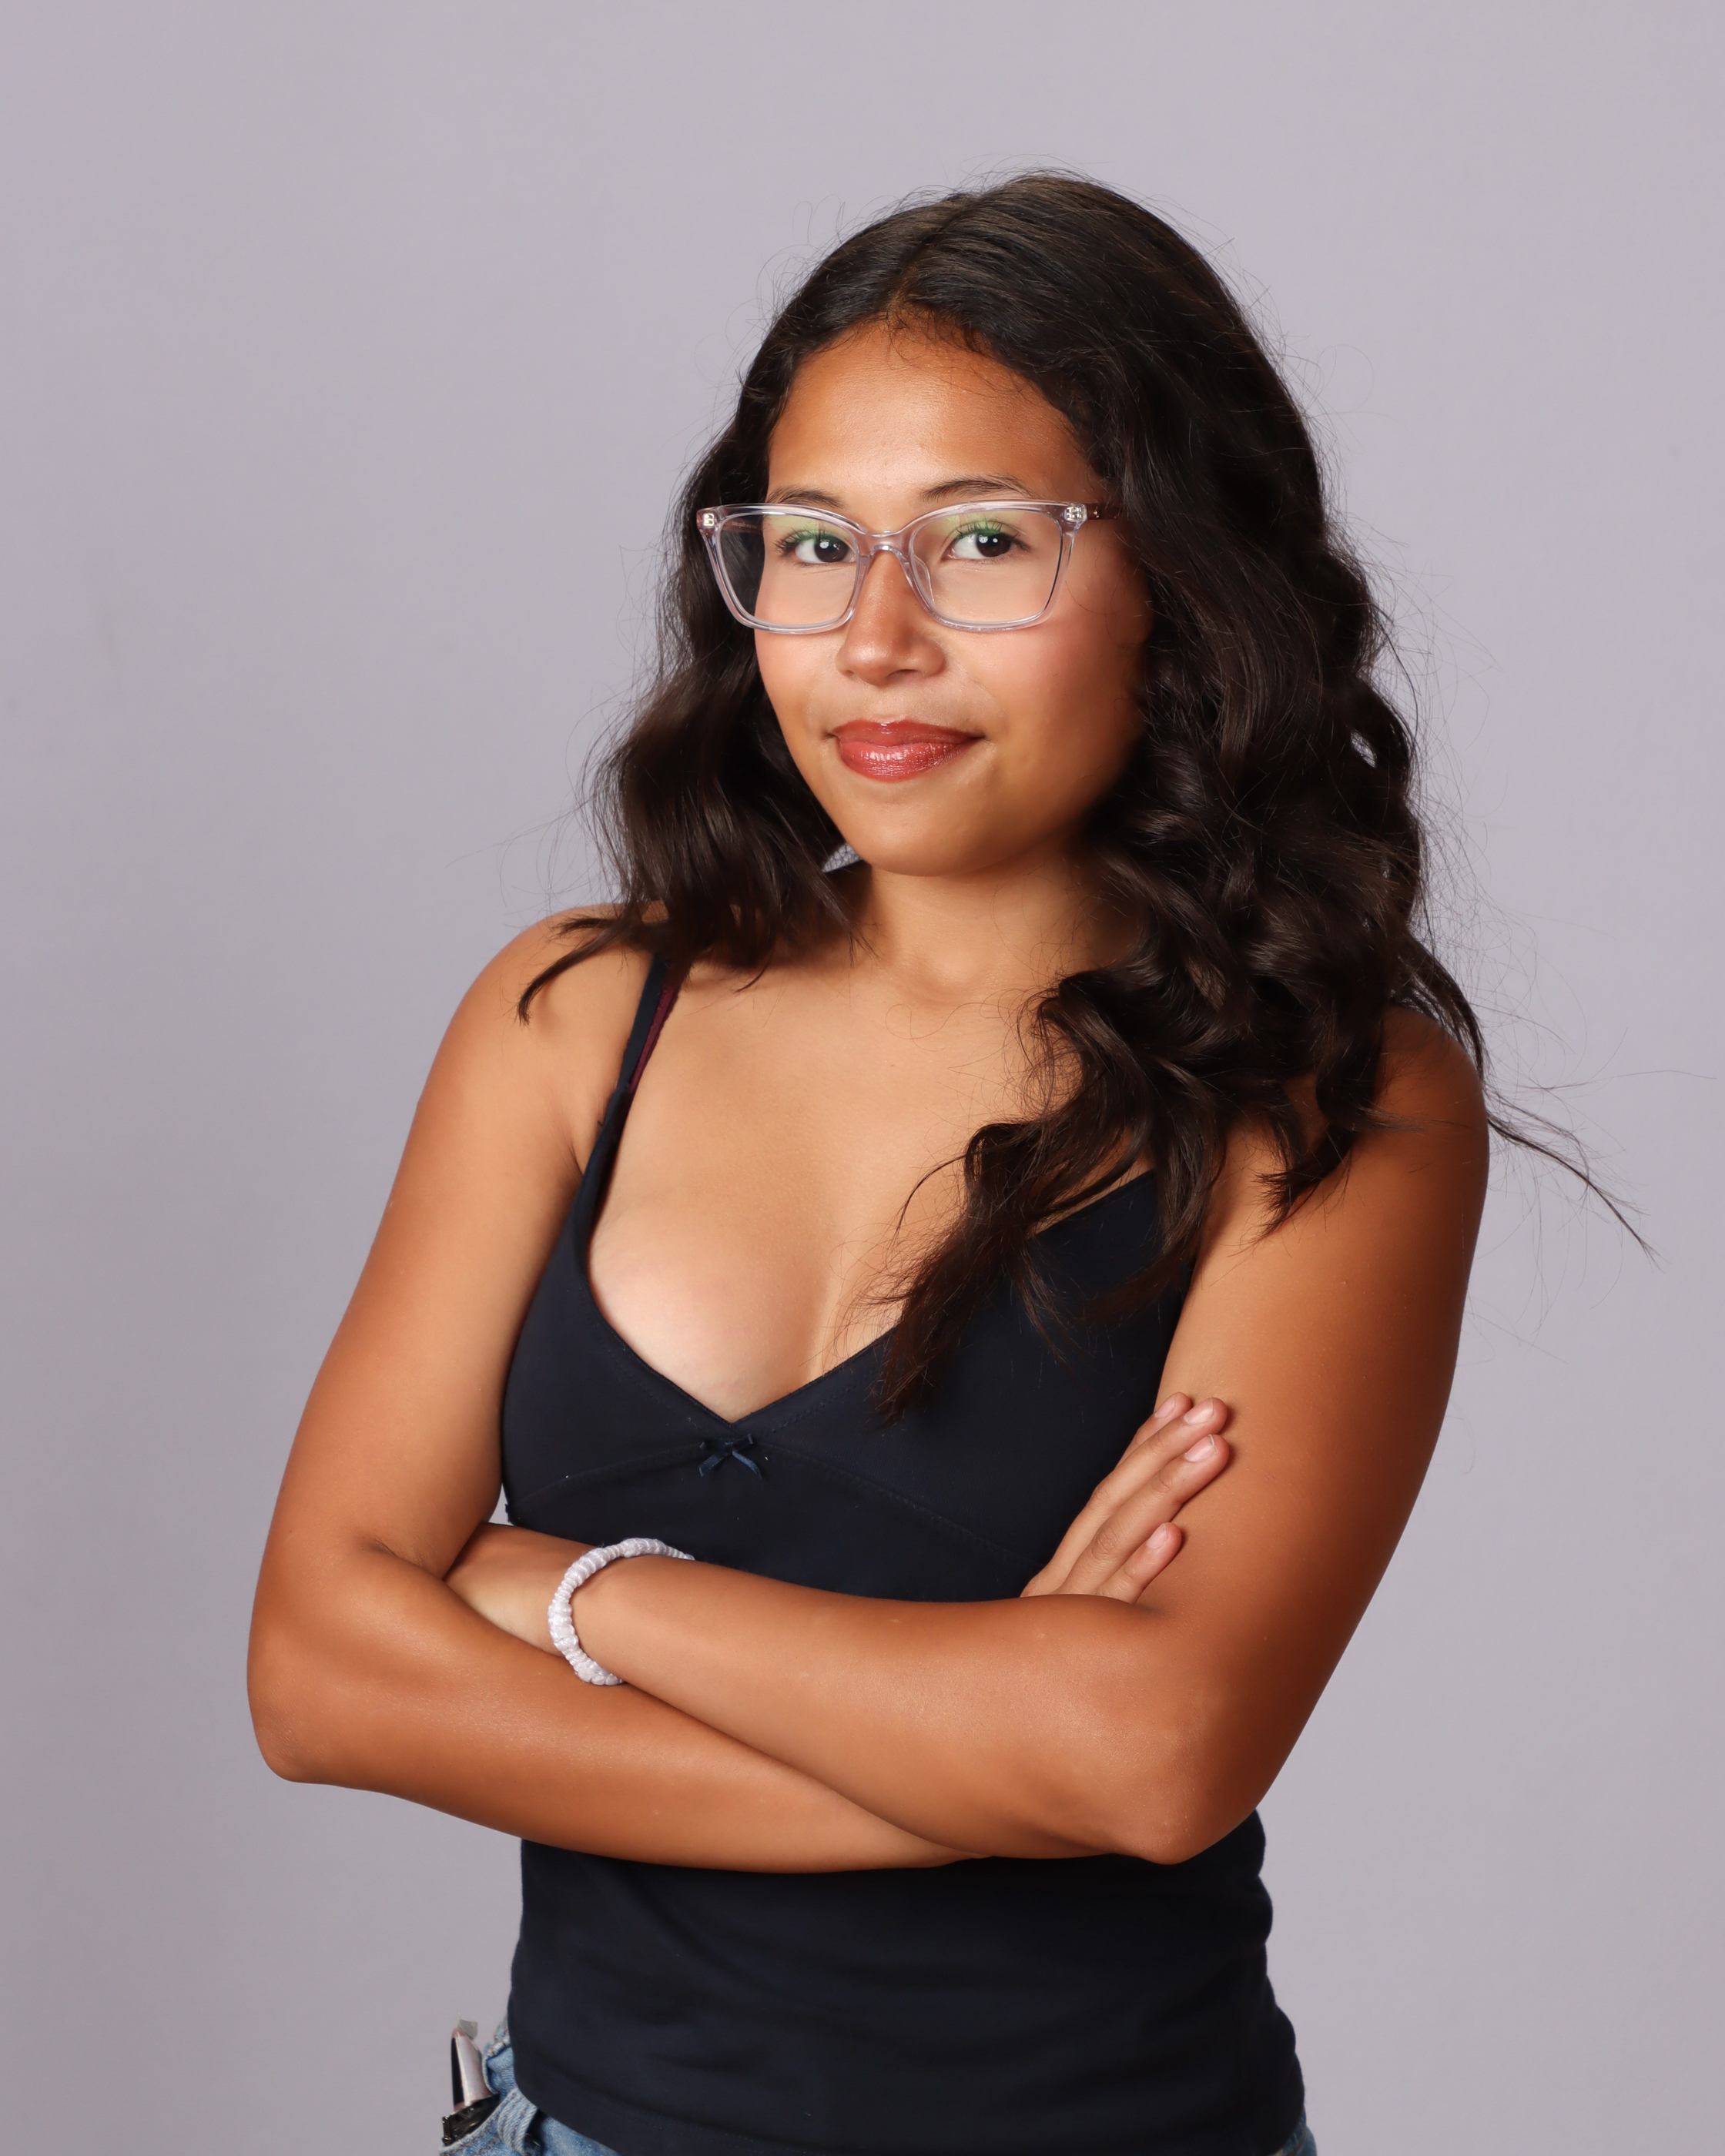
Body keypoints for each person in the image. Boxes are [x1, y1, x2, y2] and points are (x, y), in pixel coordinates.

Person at [249, 175, 1490, 2156]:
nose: (874, 639)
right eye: (813, 545)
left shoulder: (1334, 1092)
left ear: (1181, 578)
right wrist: (976, 1756)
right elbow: (318, 1673)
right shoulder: (572, 1018)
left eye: (983, 541)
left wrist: (576, 1590)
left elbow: (1155, 1753)